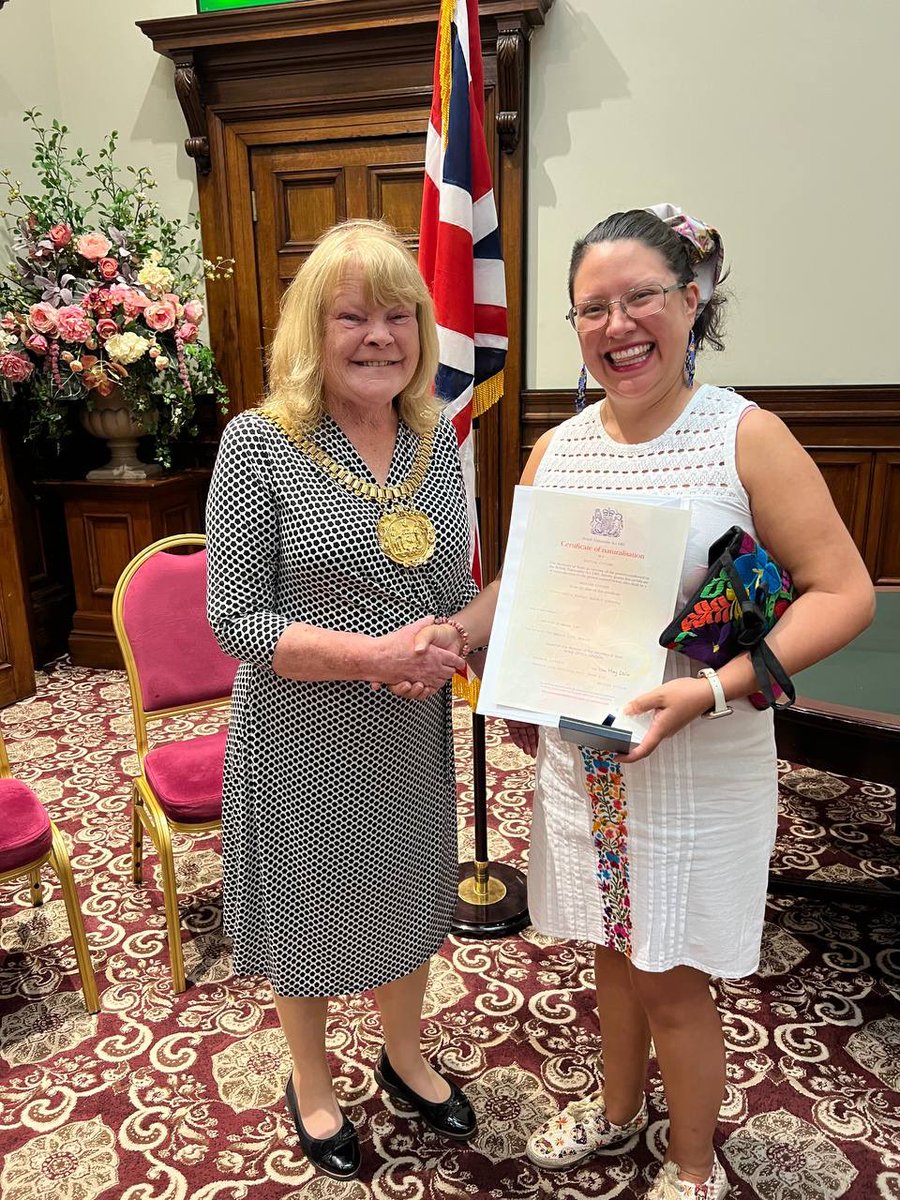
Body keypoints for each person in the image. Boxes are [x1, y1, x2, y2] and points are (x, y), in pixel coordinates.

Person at [406, 206, 875, 1198]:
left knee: (670, 976)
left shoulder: (746, 437)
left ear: (691, 301)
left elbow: (844, 591)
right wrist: (464, 629)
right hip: (587, 764)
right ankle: (619, 1112)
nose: (618, 325)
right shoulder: (560, 448)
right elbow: (524, 588)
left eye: (640, 298)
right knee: (610, 957)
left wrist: (710, 687)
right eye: (592, 308)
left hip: (696, 764)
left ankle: (694, 1163)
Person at [205, 219, 479, 1182]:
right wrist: (374, 653)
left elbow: (455, 589)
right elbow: (235, 617)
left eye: (399, 315)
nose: (380, 336)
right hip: (300, 732)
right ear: (310, 332)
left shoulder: (433, 441)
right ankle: (310, 1080)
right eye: (352, 316)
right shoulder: (259, 444)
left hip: (408, 731)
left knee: (406, 897)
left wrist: (458, 632)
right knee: (308, 914)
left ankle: (404, 1056)